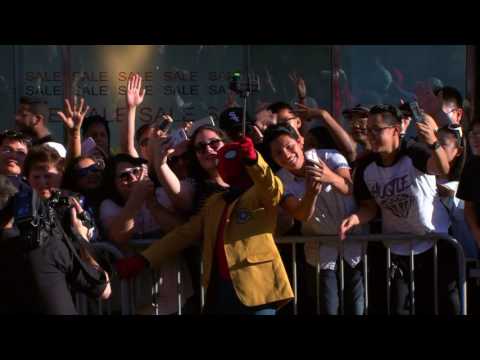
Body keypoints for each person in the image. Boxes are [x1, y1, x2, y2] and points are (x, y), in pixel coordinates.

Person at [116, 136, 294, 315]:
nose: (228, 164)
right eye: (223, 160)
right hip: (221, 289)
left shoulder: (258, 194)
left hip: (258, 288)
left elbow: (273, 188)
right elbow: (183, 234)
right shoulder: (214, 202)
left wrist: (255, 160)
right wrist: (144, 259)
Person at [339, 104, 460, 315]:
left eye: (377, 130)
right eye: (369, 131)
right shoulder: (366, 167)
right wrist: (355, 219)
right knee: (398, 307)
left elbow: (442, 168)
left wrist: (433, 143)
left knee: (442, 306)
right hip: (397, 248)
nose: (371, 135)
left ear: (395, 129)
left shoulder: (414, 152)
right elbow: (369, 207)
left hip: (435, 242)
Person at [263, 123, 365, 315]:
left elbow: (349, 187)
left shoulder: (329, 157)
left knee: (356, 305)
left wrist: (331, 177)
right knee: (328, 306)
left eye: (289, 146)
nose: (286, 154)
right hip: (320, 247)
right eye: (278, 153)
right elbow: (300, 214)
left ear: (300, 141)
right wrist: (311, 193)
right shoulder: (279, 180)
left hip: (354, 241)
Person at [0, 147, 111, 314]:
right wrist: (81, 238)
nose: (43, 182)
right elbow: (103, 288)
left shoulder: (72, 203)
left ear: (61, 174)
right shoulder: (32, 237)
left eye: (48, 176)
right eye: (36, 177)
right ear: (27, 179)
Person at [99, 153, 193, 314]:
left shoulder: (161, 195)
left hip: (170, 290)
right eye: (124, 176)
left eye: (136, 172)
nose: (133, 178)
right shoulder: (108, 205)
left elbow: (180, 231)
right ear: (113, 182)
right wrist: (136, 199)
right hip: (133, 294)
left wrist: (151, 202)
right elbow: (119, 236)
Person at [457, 121, 480, 250]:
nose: (475, 138)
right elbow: (468, 207)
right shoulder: (471, 166)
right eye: (473, 134)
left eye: (479, 134)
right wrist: (477, 234)